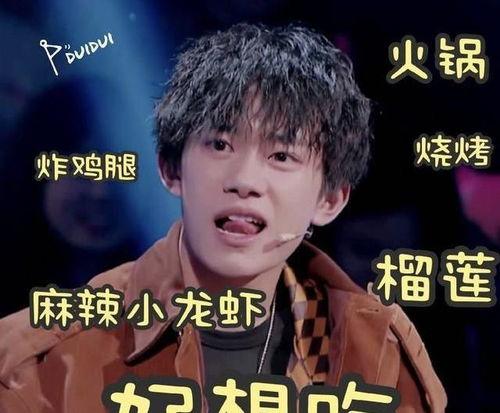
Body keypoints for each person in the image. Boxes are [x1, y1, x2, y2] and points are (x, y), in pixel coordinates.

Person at [0, 23, 446, 412]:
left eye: (281, 155)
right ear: (171, 169)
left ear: (329, 199)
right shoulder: (38, 360)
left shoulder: (379, 352)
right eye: (220, 144)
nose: (244, 180)